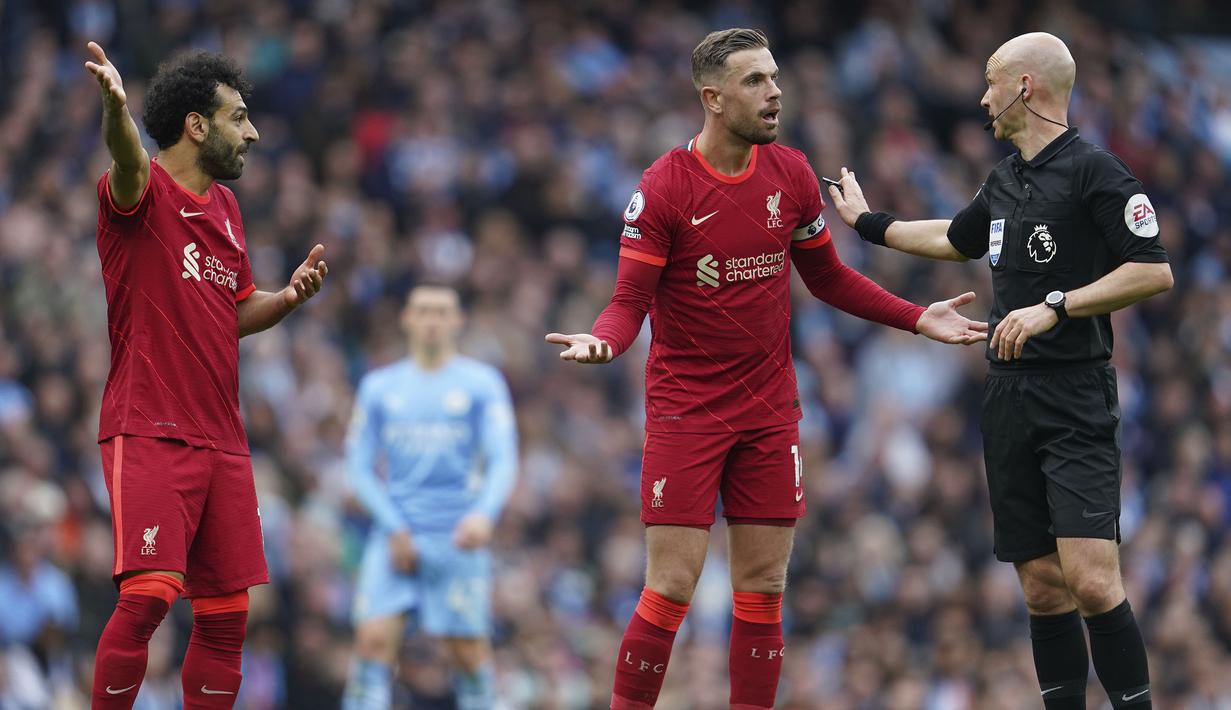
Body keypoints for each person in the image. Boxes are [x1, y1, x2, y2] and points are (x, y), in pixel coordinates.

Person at [545, 28, 987, 710]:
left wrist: (914, 316)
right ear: (713, 99)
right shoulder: (663, 187)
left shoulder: (792, 174)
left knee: (763, 587)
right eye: (756, 81)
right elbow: (626, 303)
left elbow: (830, 279)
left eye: (775, 77)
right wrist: (604, 343)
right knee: (669, 588)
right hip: (685, 412)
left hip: (768, 411)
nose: (775, 91)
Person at [827, 32, 1172, 710]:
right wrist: (867, 222)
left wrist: (1055, 307)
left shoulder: (1095, 172)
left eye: (991, 81)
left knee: (1093, 581)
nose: (980, 97)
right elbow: (956, 239)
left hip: (1075, 393)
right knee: (1041, 582)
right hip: (1009, 395)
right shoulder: (1004, 179)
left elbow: (1151, 269)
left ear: (1024, 86)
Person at [84, 41, 328, 708]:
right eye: (238, 117)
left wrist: (284, 300)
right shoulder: (139, 190)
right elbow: (128, 157)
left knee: (227, 618)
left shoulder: (225, 209)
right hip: (151, 427)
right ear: (198, 125)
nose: (251, 132)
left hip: (222, 438)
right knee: (150, 596)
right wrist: (117, 110)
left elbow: (234, 311)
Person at [343, 286, 519, 710]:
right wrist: (393, 526)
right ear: (407, 319)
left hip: (456, 532)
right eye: (423, 311)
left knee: (468, 652)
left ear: (458, 321)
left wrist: (484, 515)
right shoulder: (379, 387)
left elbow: (503, 457)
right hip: (396, 530)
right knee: (372, 640)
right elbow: (358, 465)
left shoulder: (482, 384)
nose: (432, 320)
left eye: (442, 312)